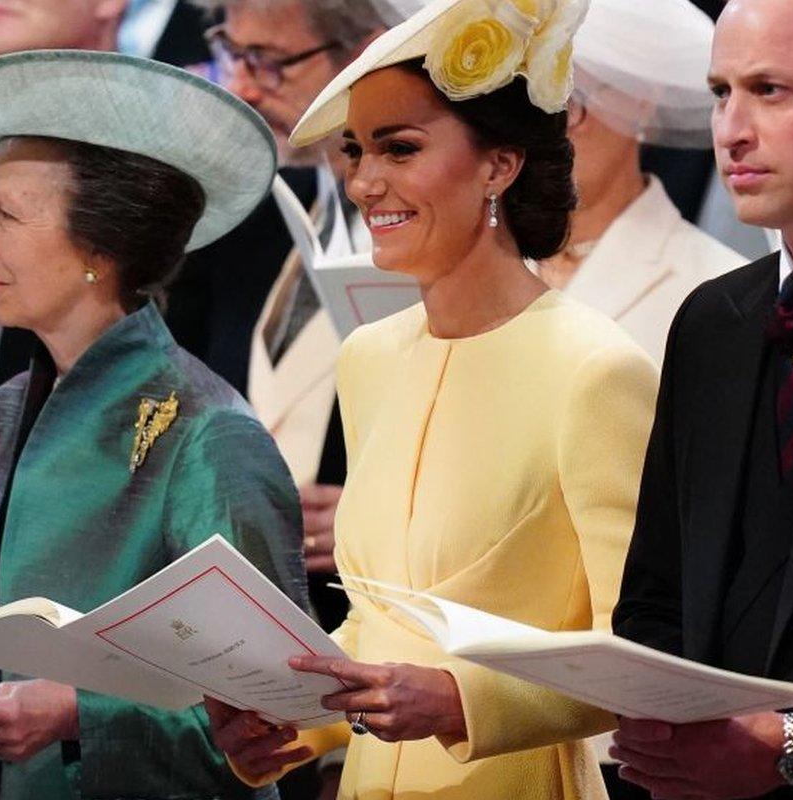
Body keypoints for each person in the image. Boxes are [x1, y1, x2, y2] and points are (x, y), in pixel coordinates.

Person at [205, 1, 659, 798]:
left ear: (499, 165)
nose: (364, 181)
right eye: (355, 151)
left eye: (400, 148)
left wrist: (463, 702)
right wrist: (289, 725)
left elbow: (635, 655)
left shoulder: (596, 369)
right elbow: (377, 620)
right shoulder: (370, 358)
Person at [0, 50, 306, 800]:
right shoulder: (2, 412)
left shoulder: (208, 433)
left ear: (100, 249)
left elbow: (283, 707)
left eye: (8, 214)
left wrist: (79, 713)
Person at [612, 0, 793, 797]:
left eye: (770, 90)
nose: (730, 129)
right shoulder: (711, 322)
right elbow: (653, 598)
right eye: (719, 92)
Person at [190, 0, 387, 632]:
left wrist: (377, 513)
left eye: (270, 63)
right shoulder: (261, 218)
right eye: (233, 53)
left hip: (364, 618)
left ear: (364, 54)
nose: (243, 88)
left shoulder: (438, 230)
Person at [535, 0, 745, 366]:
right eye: (531, 101)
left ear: (644, 100)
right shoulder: (483, 259)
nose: (545, 131)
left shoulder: (721, 287)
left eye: (570, 102)